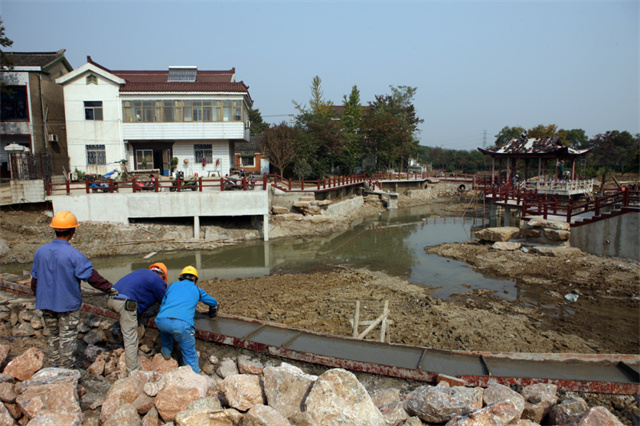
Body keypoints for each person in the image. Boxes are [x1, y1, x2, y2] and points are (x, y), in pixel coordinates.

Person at [30, 210, 116, 368]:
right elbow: (91, 277)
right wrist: (110, 289)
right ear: (73, 231)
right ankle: (66, 372)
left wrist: (39, 296)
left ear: (55, 229)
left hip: (45, 302)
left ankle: (54, 367)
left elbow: (35, 280)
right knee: (67, 338)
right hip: (67, 304)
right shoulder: (73, 254)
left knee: (53, 336)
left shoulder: (40, 251)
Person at [155, 266, 219, 374]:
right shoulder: (197, 289)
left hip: (161, 320)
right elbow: (212, 302)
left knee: (165, 332)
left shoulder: (172, 285)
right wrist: (214, 308)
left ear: (181, 277)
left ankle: (166, 353)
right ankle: (194, 378)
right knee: (190, 355)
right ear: (194, 279)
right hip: (182, 325)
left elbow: (163, 303)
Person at [107, 262, 168, 372]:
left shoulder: (140, 271)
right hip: (125, 302)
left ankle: (131, 348)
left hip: (112, 299)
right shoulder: (157, 280)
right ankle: (133, 371)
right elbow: (165, 300)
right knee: (130, 337)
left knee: (131, 319)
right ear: (163, 276)